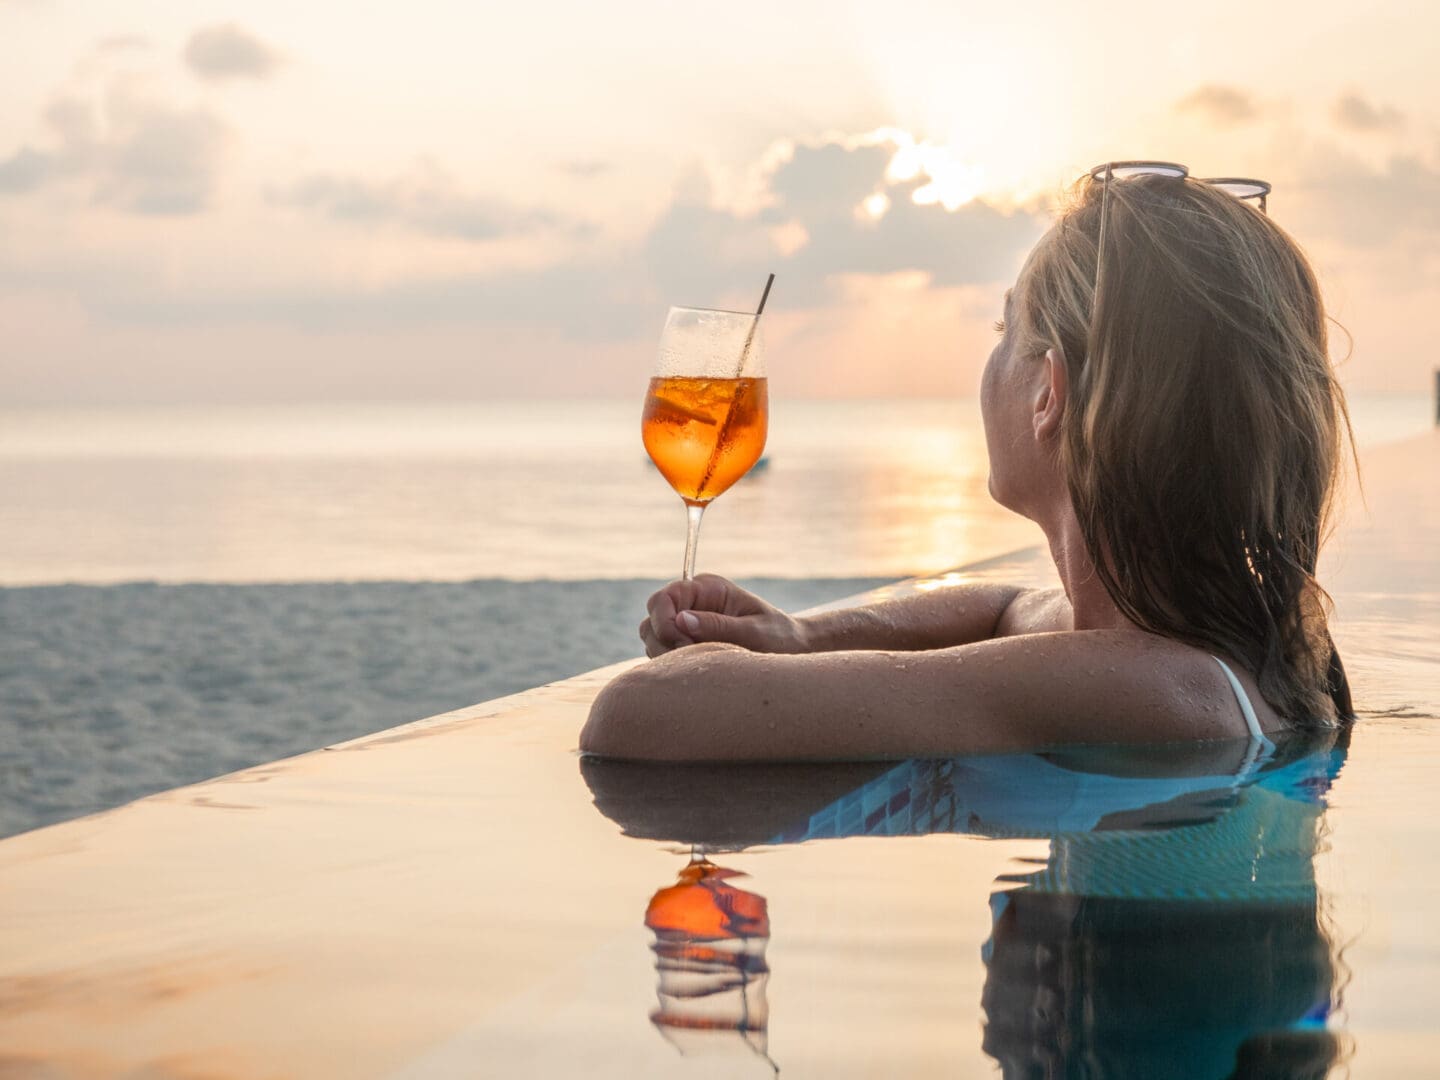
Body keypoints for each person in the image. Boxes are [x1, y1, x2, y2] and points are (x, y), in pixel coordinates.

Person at [581, 162, 1355, 762]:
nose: (989, 360)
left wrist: (746, 669)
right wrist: (803, 639)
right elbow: (1006, 608)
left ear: (1049, 392)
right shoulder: (1188, 638)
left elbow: (644, 713)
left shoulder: (1148, 688)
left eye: (1002, 327)